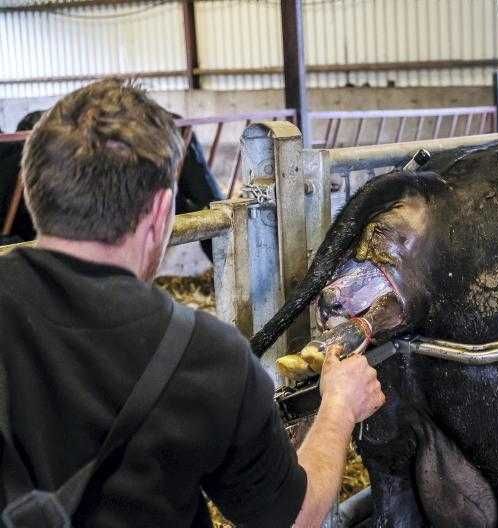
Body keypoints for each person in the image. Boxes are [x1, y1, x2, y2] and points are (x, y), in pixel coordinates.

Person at [0, 78, 385, 527]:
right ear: (164, 211)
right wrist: (339, 406)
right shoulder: (206, 356)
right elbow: (294, 518)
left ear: (29, 189)